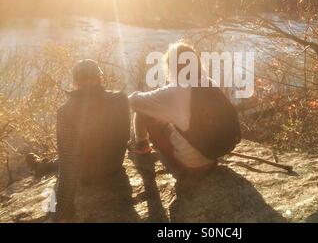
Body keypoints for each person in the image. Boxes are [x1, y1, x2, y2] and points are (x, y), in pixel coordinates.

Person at [52, 59, 130, 221]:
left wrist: (64, 208)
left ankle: (43, 166)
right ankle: (43, 165)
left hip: (87, 176)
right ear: (100, 78)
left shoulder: (65, 111)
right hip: (114, 167)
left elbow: (68, 163)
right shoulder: (121, 99)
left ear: (75, 82)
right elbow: (124, 136)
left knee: (62, 159)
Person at [128, 43, 218, 177]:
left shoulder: (174, 91)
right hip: (213, 157)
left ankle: (142, 146)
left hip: (191, 165)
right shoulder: (210, 83)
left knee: (143, 110)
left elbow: (133, 102)